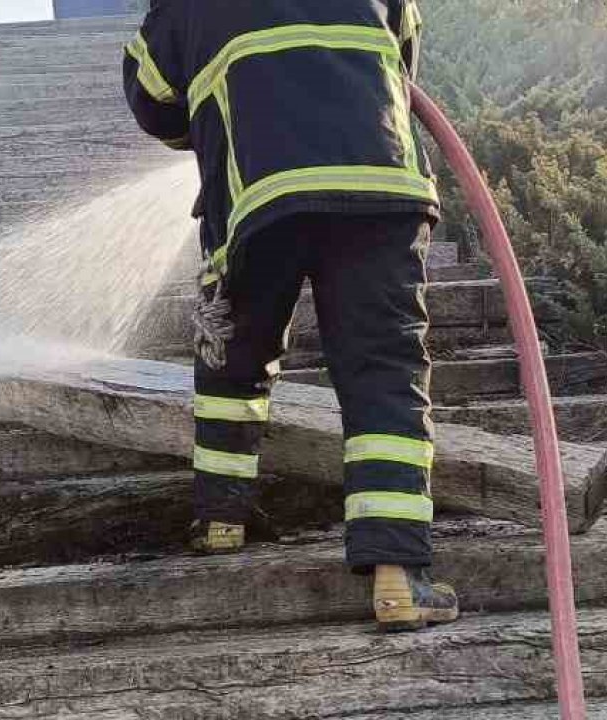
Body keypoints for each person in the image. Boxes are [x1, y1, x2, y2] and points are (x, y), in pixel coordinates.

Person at [123, 0, 457, 632]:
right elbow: (404, 56)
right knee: (384, 374)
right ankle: (398, 574)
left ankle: (221, 518)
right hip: (379, 187)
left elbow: (150, 99)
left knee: (234, 359)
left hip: (256, 195)